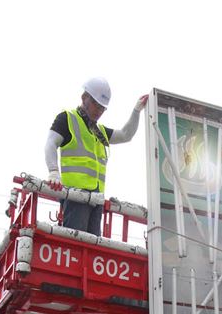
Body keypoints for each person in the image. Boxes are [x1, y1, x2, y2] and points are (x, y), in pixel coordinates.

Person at [45, 77, 148, 236]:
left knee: (91, 248)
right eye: (96, 105)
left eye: (103, 108)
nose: (99, 111)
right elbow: (51, 143)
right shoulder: (67, 118)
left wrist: (136, 111)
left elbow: (125, 135)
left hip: (96, 200)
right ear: (84, 97)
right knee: (76, 246)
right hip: (75, 197)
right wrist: (53, 171)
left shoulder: (99, 131)